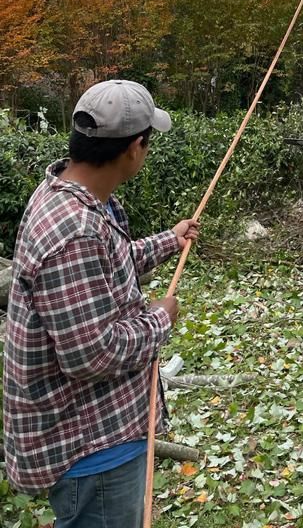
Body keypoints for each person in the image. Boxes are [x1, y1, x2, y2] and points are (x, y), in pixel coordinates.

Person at [2, 79, 200, 528]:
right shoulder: (73, 231)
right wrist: (160, 321)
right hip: (92, 445)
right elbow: (92, 354)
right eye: (148, 142)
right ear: (134, 148)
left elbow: (107, 265)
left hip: (102, 432)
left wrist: (170, 239)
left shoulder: (68, 197)